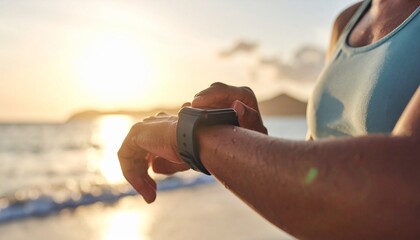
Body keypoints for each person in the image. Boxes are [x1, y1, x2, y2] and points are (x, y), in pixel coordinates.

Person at [118, 0, 420, 239]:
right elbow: (314, 185)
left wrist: (191, 136)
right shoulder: (347, 22)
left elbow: (401, 189)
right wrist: (253, 139)